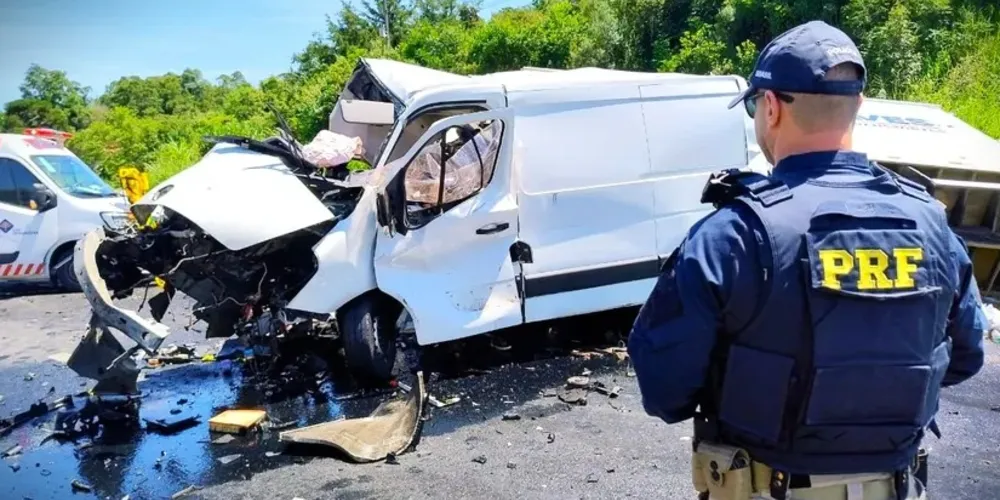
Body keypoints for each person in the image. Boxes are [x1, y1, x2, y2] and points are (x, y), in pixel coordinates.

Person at [627, 20, 986, 500]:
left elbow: (665, 387)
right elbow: (966, 355)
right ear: (858, 105)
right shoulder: (931, 223)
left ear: (771, 107)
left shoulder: (735, 233)